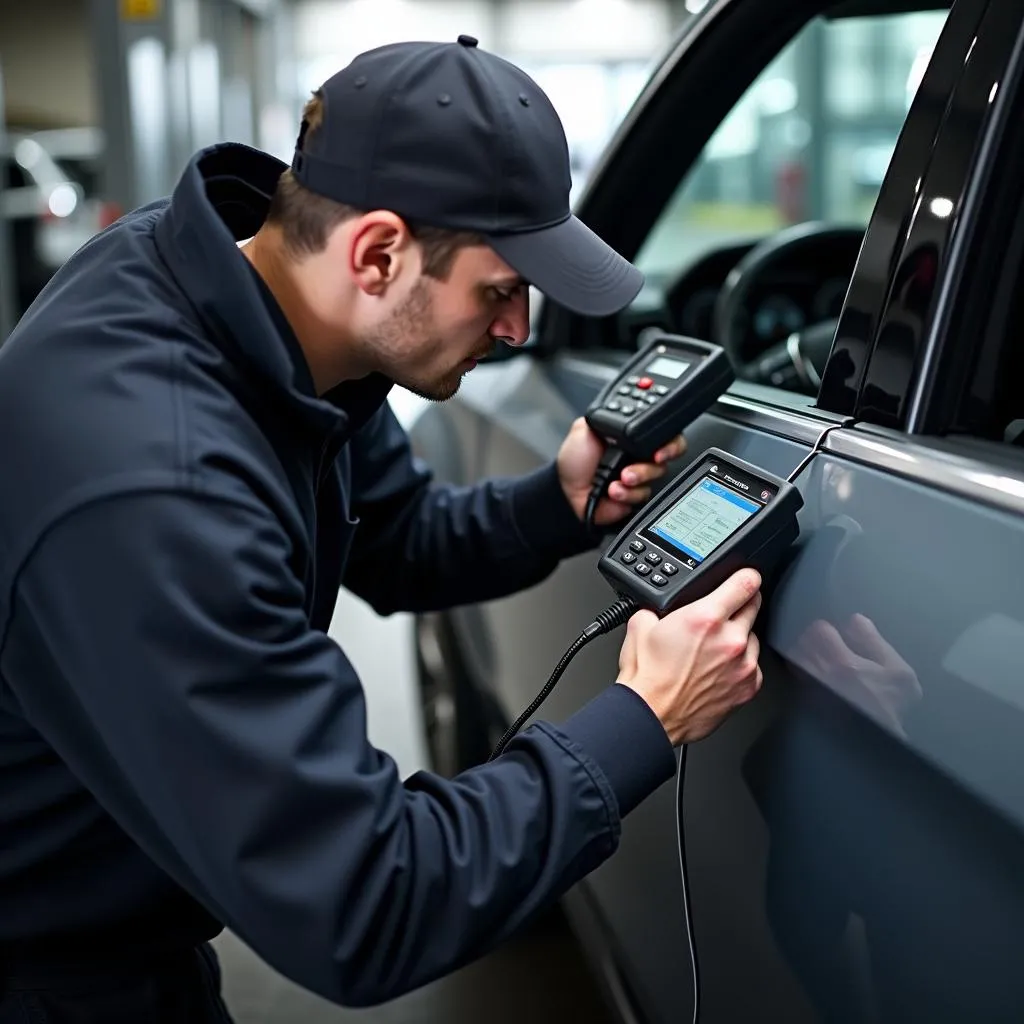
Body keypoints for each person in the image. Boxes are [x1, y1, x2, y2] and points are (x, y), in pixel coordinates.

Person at [0, 35, 763, 1023]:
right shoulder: (158, 486)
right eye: (499, 289)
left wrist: (558, 500)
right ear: (376, 252)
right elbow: (365, 898)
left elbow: (397, 536)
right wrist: (643, 717)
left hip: (127, 899)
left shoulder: (254, 303)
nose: (518, 330)